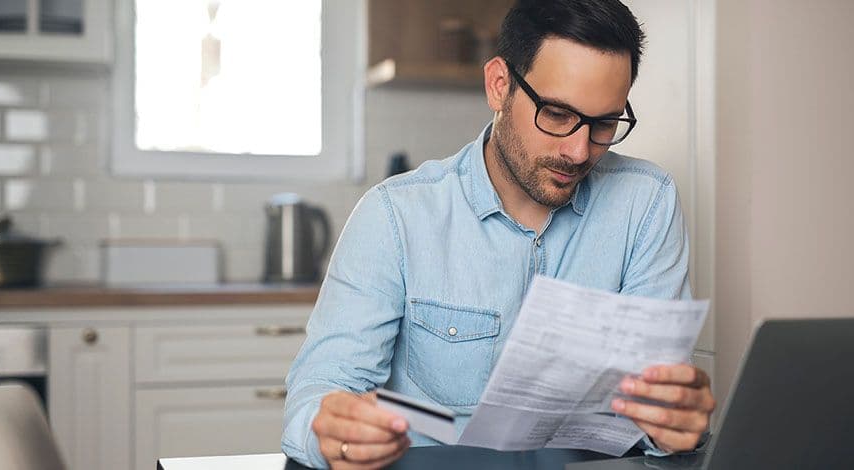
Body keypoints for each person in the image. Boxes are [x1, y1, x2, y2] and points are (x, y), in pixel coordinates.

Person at [281, 0, 715, 468]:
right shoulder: (394, 216)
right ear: (499, 85)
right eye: (556, 113)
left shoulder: (647, 204)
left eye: (604, 123)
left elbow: (656, 409)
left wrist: (676, 428)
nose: (577, 150)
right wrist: (333, 430)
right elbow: (316, 396)